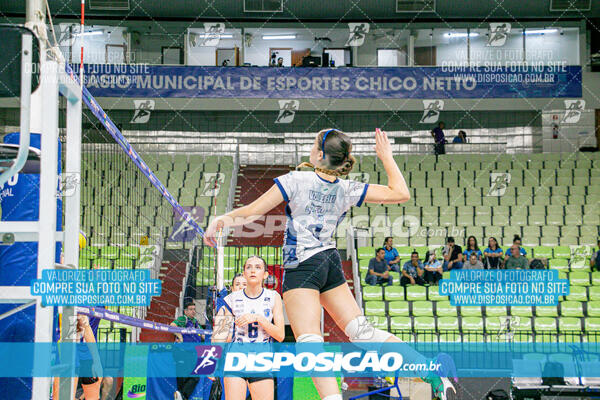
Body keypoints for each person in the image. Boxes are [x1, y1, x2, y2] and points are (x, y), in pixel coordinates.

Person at [204, 128, 457, 400]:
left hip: (301, 266)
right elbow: (401, 192)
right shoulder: (347, 188)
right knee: (362, 332)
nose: (311, 147)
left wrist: (219, 220)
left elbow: (252, 212)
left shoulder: (295, 180)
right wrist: (386, 156)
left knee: (310, 343)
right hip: (329, 261)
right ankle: (431, 372)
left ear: (321, 154)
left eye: (314, 144)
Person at [213, 256, 285, 400]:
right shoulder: (231, 299)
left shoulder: (273, 297)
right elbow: (218, 337)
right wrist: (211, 364)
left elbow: (280, 335)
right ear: (244, 273)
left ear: (265, 274)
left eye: (258, 267)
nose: (253, 270)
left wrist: (259, 318)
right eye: (249, 267)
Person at [171, 302, 205, 400]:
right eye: (190, 309)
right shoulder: (183, 319)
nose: (193, 311)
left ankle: (181, 396)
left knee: (194, 377)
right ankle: (181, 396)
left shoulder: (195, 322)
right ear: (185, 311)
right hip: (182, 352)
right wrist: (180, 336)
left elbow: (203, 334)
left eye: (194, 309)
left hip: (192, 353)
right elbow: (172, 325)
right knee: (183, 377)